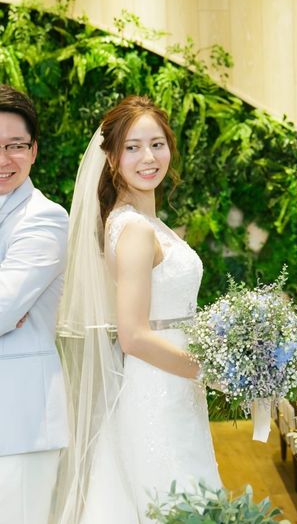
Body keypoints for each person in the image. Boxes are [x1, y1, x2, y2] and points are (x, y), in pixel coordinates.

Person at [55, 96, 221, 523]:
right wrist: (213, 369)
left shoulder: (144, 223)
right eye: (132, 147)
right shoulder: (134, 231)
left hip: (175, 388)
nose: (148, 157)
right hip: (157, 392)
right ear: (112, 157)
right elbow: (132, 335)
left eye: (156, 144)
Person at [0, 85, 68, 524]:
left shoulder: (44, 218)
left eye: (15, 146)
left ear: (34, 150)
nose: (4, 159)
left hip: (19, 422)